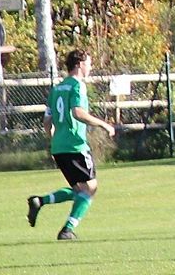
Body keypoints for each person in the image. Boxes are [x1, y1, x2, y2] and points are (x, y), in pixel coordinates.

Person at [27, 49, 116, 240]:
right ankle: (67, 230)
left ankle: (40, 201)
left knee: (79, 190)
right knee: (90, 188)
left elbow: (47, 121)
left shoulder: (57, 88)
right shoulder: (78, 86)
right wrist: (104, 124)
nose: (90, 67)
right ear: (79, 64)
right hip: (75, 145)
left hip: (59, 147)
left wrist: (53, 142)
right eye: (89, 63)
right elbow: (78, 113)